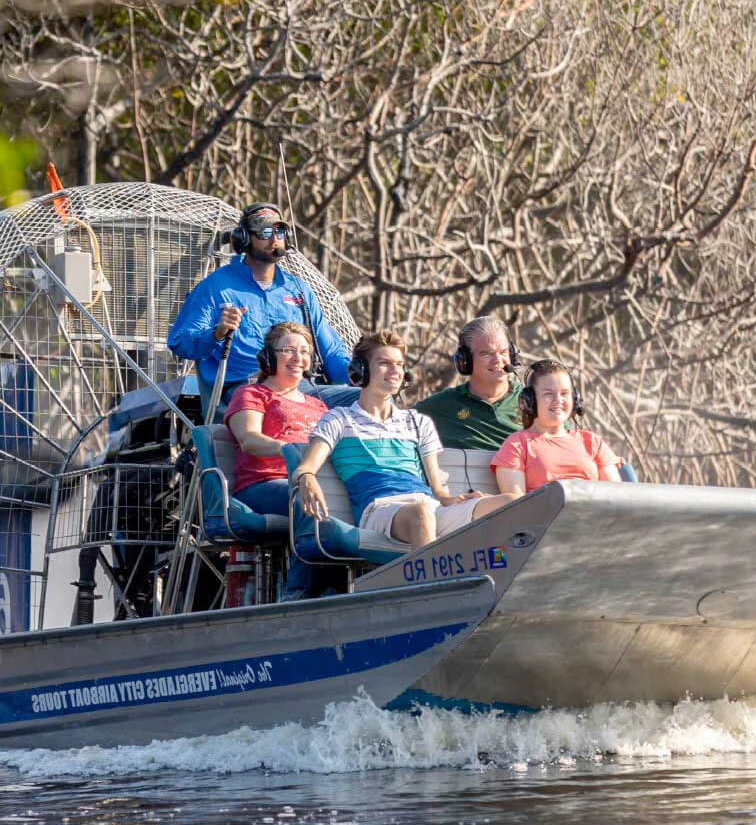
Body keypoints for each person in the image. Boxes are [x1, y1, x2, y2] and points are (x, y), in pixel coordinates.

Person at [295, 331, 519, 546]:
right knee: (420, 514)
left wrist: (457, 500)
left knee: (511, 503)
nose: (395, 371)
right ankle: (430, 584)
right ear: (360, 371)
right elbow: (305, 468)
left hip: (428, 506)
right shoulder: (339, 419)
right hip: (380, 511)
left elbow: (439, 491)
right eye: (385, 363)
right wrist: (306, 477)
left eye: (400, 365)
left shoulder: (417, 422)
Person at [167, 203, 351, 412]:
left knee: (371, 401)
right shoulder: (215, 286)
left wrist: (361, 373)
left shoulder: (299, 289)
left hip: (303, 388)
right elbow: (181, 341)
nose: (274, 239)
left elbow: (330, 350)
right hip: (248, 389)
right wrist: (217, 333)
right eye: (265, 232)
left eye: (279, 231)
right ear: (244, 239)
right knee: (284, 408)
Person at [225, 322, 327, 598]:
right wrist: (290, 449)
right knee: (308, 501)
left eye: (304, 351)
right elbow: (249, 438)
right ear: (270, 357)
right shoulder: (251, 394)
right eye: (289, 350)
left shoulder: (318, 405)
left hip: (312, 481)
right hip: (263, 483)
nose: (298, 358)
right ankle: (297, 593)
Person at [492, 359, 623, 494]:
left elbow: (616, 496)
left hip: (592, 513)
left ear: (575, 398)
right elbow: (514, 504)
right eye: (548, 394)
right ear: (530, 400)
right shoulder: (517, 444)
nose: (558, 400)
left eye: (564, 393)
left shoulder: (592, 442)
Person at [414, 315, 521, 451]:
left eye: (503, 352)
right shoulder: (442, 406)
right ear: (465, 361)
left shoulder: (532, 401)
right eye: (486, 354)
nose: (497, 360)